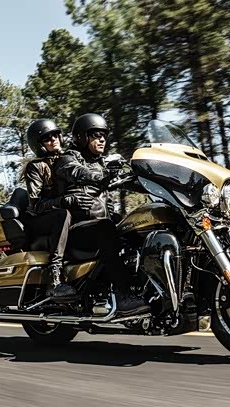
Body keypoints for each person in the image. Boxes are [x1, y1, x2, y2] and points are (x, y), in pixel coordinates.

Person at [53, 113, 148, 316]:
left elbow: (127, 179)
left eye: (104, 135)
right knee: (105, 227)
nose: (102, 139)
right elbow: (78, 172)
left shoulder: (102, 163)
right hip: (77, 230)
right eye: (96, 135)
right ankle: (123, 295)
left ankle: (148, 289)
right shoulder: (66, 159)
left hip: (100, 226)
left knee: (141, 226)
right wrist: (103, 175)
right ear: (81, 137)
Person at [22, 119, 91, 299]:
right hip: (38, 218)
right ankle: (54, 279)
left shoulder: (68, 159)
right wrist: (66, 200)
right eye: (47, 138)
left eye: (55, 135)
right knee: (62, 215)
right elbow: (36, 205)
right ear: (38, 144)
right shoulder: (36, 167)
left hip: (61, 216)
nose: (53, 139)